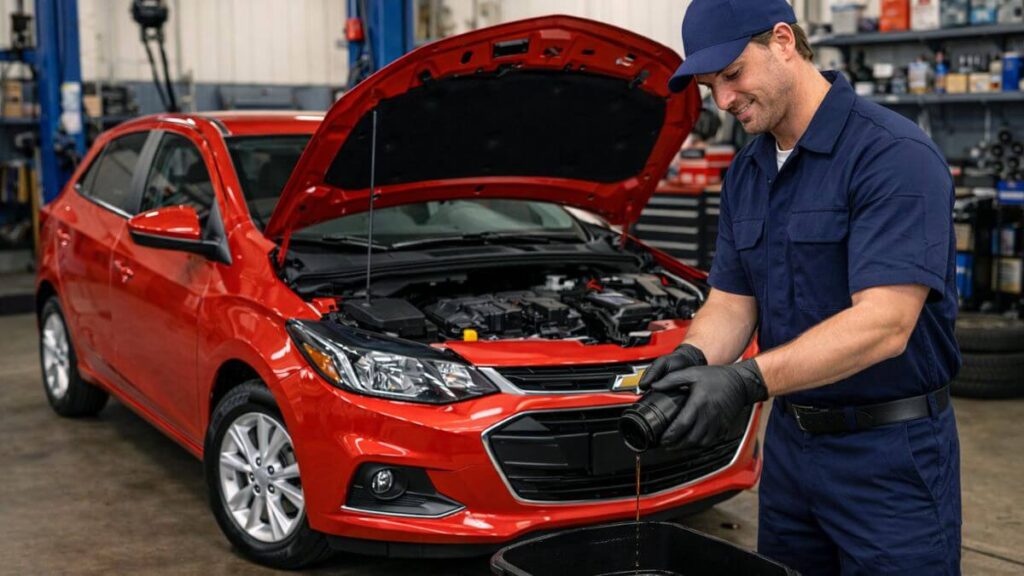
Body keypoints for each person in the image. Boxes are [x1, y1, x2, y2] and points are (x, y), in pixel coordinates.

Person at [637, 0, 962, 574]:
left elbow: (884, 324)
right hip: (790, 453)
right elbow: (733, 303)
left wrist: (742, 380)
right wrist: (693, 357)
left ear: (784, 41)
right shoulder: (747, 171)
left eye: (732, 75)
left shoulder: (892, 157)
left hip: (890, 458)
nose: (723, 101)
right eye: (711, 86)